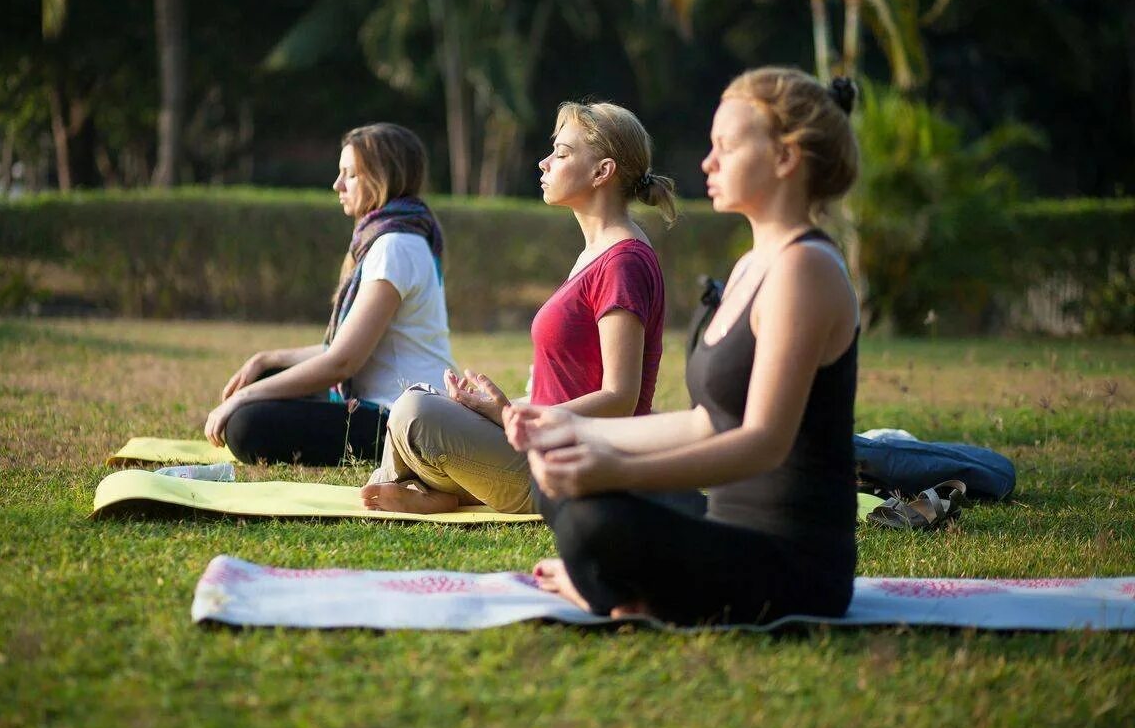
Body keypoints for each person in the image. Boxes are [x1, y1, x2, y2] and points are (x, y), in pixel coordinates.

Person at [503, 67, 861, 626]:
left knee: (593, 521)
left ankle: (614, 591)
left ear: (786, 159)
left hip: (793, 565)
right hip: (724, 526)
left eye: (725, 147)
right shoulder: (753, 265)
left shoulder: (805, 270)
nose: (707, 163)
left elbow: (764, 443)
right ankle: (626, 587)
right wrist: (572, 431)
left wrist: (612, 469)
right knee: (558, 483)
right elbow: (705, 421)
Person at [360, 101, 679, 514]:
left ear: (602, 172)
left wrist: (510, 413)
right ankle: (440, 491)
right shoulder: (598, 254)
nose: (544, 164)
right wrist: (496, 412)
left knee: (415, 412)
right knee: (422, 398)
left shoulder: (623, 263)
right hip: (542, 445)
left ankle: (433, 490)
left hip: (572, 467)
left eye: (562, 154)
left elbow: (620, 398)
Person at [204, 123, 454, 467]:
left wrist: (243, 397)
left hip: (401, 418)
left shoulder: (395, 245)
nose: (337, 185)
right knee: (266, 377)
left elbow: (342, 362)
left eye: (349, 174)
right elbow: (344, 350)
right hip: (386, 407)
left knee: (246, 424)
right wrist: (266, 358)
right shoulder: (396, 238)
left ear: (380, 177)